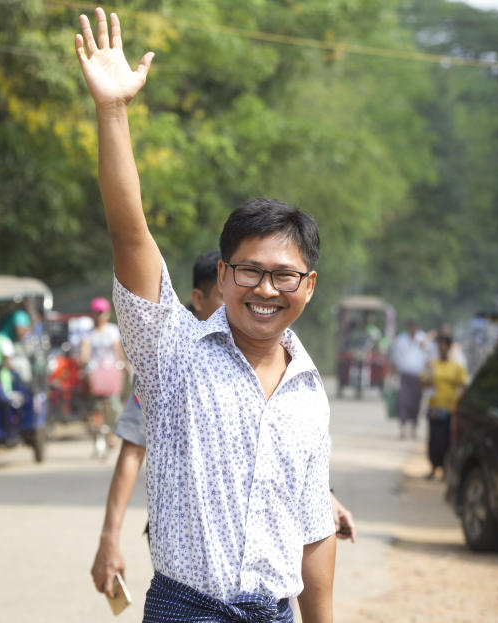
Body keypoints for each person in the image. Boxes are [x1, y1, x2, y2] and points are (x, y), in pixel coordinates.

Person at [75, 10, 335, 621]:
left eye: (284, 276)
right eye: (248, 271)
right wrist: (112, 112)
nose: (265, 289)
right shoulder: (172, 351)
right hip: (184, 609)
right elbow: (129, 232)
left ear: (309, 286)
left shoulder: (310, 395)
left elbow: (314, 535)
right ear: (221, 275)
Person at [91, 251, 358, 599]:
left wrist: (325, 501)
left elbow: (270, 465)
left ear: (308, 285)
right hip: (195, 578)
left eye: (279, 278)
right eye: (244, 279)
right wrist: (109, 539)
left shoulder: (292, 380)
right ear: (209, 291)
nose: (261, 295)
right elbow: (131, 452)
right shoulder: (169, 365)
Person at [80, 296, 127, 455]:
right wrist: (83, 360)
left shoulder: (112, 331)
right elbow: (85, 352)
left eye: (102, 312)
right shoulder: (88, 334)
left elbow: (117, 351)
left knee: (114, 406)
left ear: (107, 314)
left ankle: (113, 433)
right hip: (94, 374)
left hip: (111, 372)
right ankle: (96, 429)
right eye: (96, 312)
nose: (99, 316)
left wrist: (123, 364)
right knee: (94, 406)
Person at [420, 333, 468, 479]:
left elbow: (463, 386)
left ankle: (445, 469)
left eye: (444, 345)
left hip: (449, 409)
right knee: (434, 439)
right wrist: (428, 379)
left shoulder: (456, 367)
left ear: (449, 347)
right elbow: (422, 383)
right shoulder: (431, 364)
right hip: (434, 408)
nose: (441, 348)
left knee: (446, 440)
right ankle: (433, 467)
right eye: (439, 345)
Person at [390, 318, 429, 439]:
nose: (412, 328)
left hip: (419, 376)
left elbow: (429, 355)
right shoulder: (401, 339)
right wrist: (394, 375)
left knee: (416, 402)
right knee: (403, 401)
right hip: (405, 375)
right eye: (410, 326)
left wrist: (424, 347)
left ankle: (414, 428)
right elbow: (395, 357)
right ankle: (402, 427)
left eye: (414, 326)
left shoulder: (423, 338)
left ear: (417, 327)